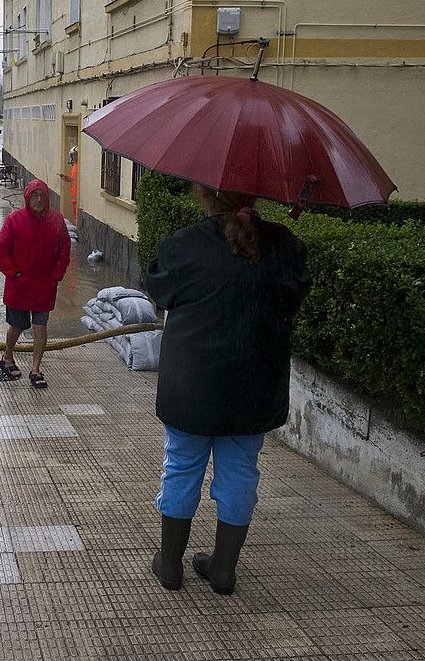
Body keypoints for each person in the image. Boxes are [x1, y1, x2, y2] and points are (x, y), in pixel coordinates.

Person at [143, 185, 310, 594]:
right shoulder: (286, 247)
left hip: (192, 386)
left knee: (182, 466)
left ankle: (170, 563)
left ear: (207, 194)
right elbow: (293, 298)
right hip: (254, 387)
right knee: (240, 472)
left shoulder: (184, 245)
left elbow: (158, 288)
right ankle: (223, 568)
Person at [0, 179, 71, 388]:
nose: (38, 200)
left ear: (47, 199)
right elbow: (2, 251)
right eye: (34, 196)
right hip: (19, 285)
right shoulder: (14, 220)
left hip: (45, 286)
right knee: (17, 326)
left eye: (42, 196)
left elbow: (65, 249)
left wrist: (57, 275)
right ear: (27, 198)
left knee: (40, 326)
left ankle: (35, 369)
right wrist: (14, 274)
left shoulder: (56, 221)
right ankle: (8, 357)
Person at [57, 146, 79, 222]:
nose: (72, 157)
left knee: (77, 216)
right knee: (75, 216)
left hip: (77, 196)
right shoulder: (75, 166)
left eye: (73, 155)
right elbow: (73, 179)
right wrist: (65, 178)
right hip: (74, 195)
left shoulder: (78, 167)